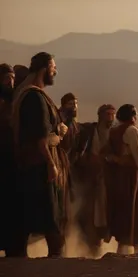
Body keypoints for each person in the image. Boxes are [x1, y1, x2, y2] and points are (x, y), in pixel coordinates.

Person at [11, 52, 70, 257]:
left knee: (28, 219)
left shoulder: (27, 94)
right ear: (44, 69)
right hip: (40, 167)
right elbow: (40, 137)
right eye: (53, 67)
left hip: (32, 166)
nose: (55, 71)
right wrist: (51, 164)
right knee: (51, 220)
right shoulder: (34, 97)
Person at [105, 104, 138, 255]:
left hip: (118, 178)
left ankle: (122, 252)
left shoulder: (113, 131)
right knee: (133, 214)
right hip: (131, 178)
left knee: (123, 213)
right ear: (132, 116)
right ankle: (135, 255)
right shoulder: (132, 131)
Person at [73, 104, 116, 256]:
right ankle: (89, 249)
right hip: (89, 181)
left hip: (108, 182)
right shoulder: (89, 132)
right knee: (88, 215)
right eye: (107, 114)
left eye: (112, 114)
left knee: (105, 217)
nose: (110, 118)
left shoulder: (115, 134)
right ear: (100, 115)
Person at [0, 63, 17, 256]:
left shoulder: (15, 102)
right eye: (7, 79)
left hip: (12, 160)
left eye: (12, 79)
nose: (10, 83)